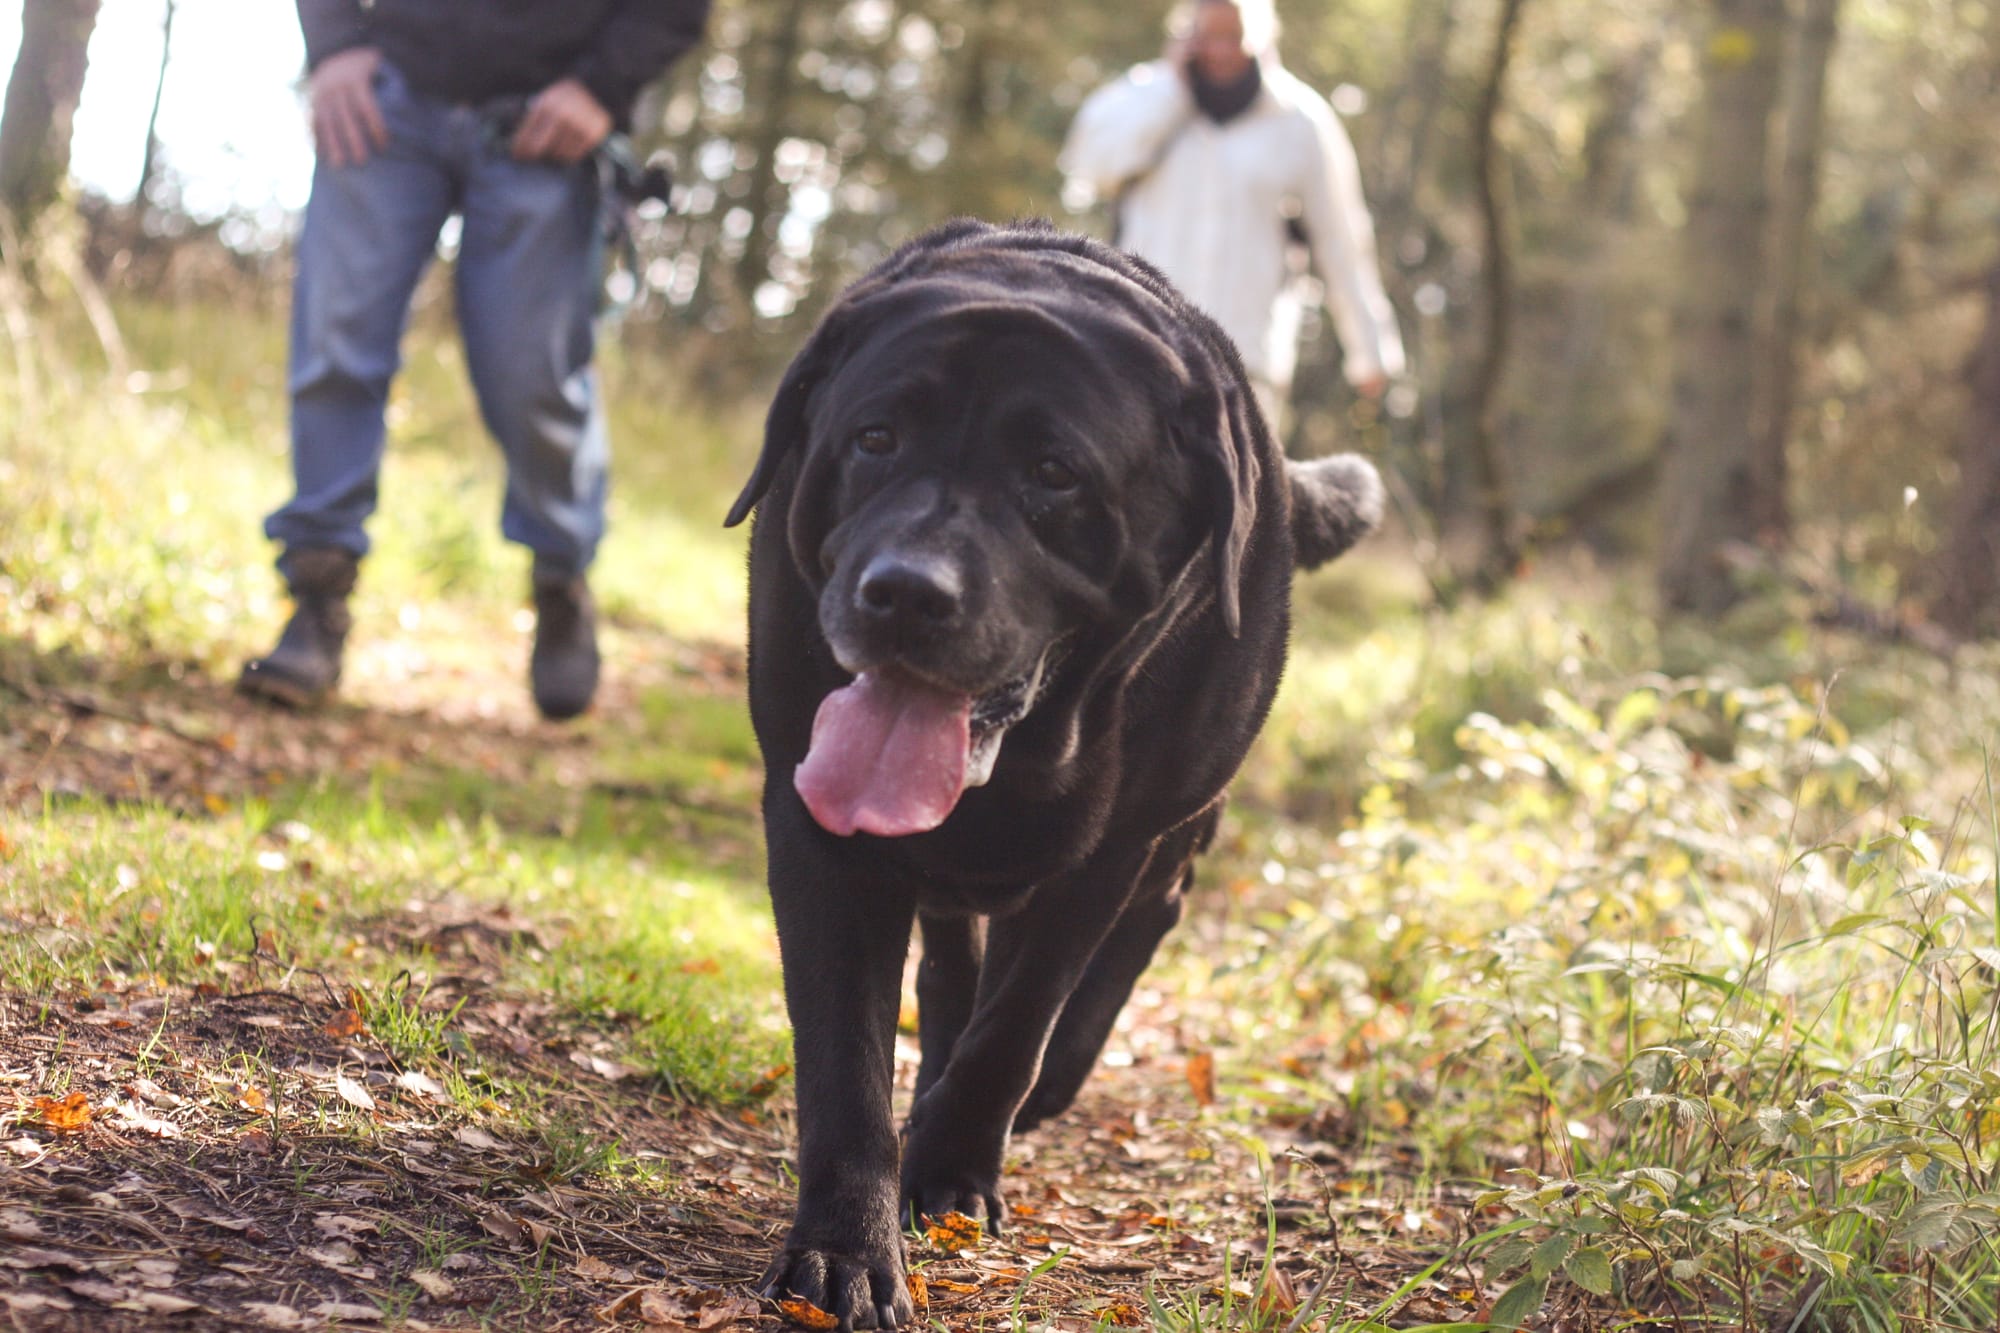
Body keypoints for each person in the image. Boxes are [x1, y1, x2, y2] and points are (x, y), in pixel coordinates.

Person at [239, 0, 710, 720]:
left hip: (547, 119)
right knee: (336, 346)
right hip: (388, 92)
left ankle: (560, 572)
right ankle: (316, 597)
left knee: (533, 379)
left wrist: (602, 87)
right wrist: (333, 45)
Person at [1061, 0, 1405, 434]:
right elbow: (1091, 167)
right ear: (1186, 35)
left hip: (1246, 364)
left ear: (1261, 37)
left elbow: (1341, 238)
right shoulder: (1138, 96)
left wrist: (1370, 352)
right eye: (1209, 36)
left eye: (1233, 37)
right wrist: (1171, 94)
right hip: (1139, 352)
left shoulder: (1300, 121)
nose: (1221, 51)